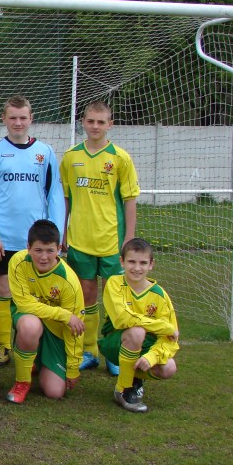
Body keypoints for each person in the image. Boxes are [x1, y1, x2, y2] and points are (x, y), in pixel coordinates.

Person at [0, 95, 64, 369]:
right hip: (4, 239)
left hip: (37, 242)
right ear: (3, 119)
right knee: (3, 290)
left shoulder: (46, 153)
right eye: (12, 117)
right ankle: (4, 347)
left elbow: (55, 196)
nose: (17, 122)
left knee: (36, 294)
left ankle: (33, 345)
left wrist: (56, 237)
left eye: (22, 117)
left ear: (31, 119)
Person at [60, 100, 140, 376]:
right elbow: (66, 200)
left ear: (110, 124)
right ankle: (90, 351)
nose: (95, 126)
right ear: (83, 122)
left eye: (100, 121)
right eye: (90, 121)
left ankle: (113, 353)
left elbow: (129, 201)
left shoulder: (120, 158)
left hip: (111, 241)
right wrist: (63, 231)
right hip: (80, 240)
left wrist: (128, 238)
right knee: (86, 296)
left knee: (115, 298)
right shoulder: (71, 157)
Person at [6, 220, 84, 404]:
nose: (44, 257)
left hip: (57, 332)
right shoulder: (18, 262)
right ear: (28, 247)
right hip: (30, 320)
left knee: (54, 392)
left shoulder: (69, 282)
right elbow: (24, 305)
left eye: (50, 250)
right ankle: (22, 382)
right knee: (30, 325)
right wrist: (63, 315)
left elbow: (76, 328)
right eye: (38, 250)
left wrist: (73, 367)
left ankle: (37, 360)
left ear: (58, 249)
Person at [100, 238, 179, 413]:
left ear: (151, 265)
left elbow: (171, 339)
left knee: (169, 367)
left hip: (145, 348)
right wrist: (162, 326)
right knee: (136, 332)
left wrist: (151, 357)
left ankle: (134, 377)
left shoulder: (159, 295)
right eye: (131, 262)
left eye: (143, 263)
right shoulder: (114, 283)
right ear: (122, 262)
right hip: (115, 344)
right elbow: (122, 319)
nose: (137, 268)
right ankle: (123, 389)